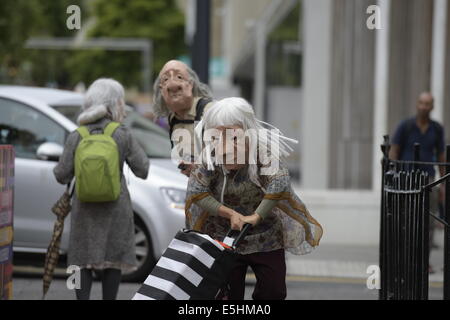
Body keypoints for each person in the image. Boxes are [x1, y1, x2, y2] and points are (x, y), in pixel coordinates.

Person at [185, 97, 323, 300]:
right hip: (224, 235)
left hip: (265, 234)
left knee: (273, 291)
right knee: (226, 295)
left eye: (233, 135)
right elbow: (196, 191)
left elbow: (279, 181)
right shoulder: (210, 156)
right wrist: (230, 213)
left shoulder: (263, 153)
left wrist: (256, 216)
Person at [54, 78, 149, 300]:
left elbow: (61, 174)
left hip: (83, 209)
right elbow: (142, 169)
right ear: (114, 104)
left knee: (80, 259)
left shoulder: (77, 135)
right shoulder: (121, 133)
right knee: (112, 260)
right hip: (116, 207)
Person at [389, 91, 445, 272]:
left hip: (428, 181)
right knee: (405, 220)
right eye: (421, 102)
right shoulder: (405, 126)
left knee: (428, 224)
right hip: (406, 178)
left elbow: (442, 155)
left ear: (432, 106)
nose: (423, 106)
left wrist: (443, 183)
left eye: (427, 103)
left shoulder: (436, 128)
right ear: (417, 104)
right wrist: (393, 174)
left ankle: (424, 262)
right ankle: (405, 260)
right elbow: (394, 151)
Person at [152, 60, 214, 176]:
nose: (172, 83)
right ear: (162, 90)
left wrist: (200, 167)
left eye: (179, 77)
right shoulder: (173, 119)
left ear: (190, 84)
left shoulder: (209, 111)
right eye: (165, 79)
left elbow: (232, 156)